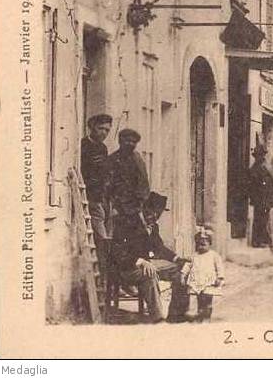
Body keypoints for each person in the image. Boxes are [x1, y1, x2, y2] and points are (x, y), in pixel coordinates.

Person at [109, 192, 190, 323]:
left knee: (180, 270)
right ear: (145, 209)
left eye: (158, 214)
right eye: (153, 213)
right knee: (149, 272)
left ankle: (176, 314)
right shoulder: (128, 222)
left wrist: (177, 259)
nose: (156, 217)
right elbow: (117, 251)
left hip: (147, 263)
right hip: (126, 268)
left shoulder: (153, 226)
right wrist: (140, 261)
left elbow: (159, 248)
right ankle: (157, 318)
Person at [80, 114, 113, 268]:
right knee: (102, 237)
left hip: (101, 197)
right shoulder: (83, 145)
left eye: (107, 130)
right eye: (101, 128)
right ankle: (106, 268)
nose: (104, 133)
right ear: (92, 126)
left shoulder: (103, 148)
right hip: (89, 197)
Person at [107, 128, 149, 227]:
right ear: (120, 141)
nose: (130, 144)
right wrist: (113, 205)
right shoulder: (112, 159)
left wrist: (142, 203)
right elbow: (108, 184)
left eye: (133, 142)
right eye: (127, 141)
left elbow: (143, 181)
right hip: (118, 206)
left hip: (135, 206)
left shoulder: (137, 159)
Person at [180, 229, 225, 322]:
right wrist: (183, 275)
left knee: (207, 300)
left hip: (209, 282)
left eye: (204, 244)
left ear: (210, 244)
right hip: (196, 282)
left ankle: (206, 317)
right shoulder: (194, 256)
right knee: (198, 300)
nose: (201, 246)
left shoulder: (214, 255)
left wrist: (220, 277)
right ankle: (199, 315)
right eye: (199, 244)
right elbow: (187, 266)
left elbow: (219, 267)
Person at [247, 142, 273, 248]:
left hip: (265, 200)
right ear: (257, 157)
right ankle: (258, 241)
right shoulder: (255, 170)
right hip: (260, 200)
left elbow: (270, 185)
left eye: (263, 155)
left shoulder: (264, 168)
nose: (263, 157)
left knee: (263, 220)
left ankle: (264, 240)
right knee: (259, 220)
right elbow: (254, 188)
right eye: (261, 155)